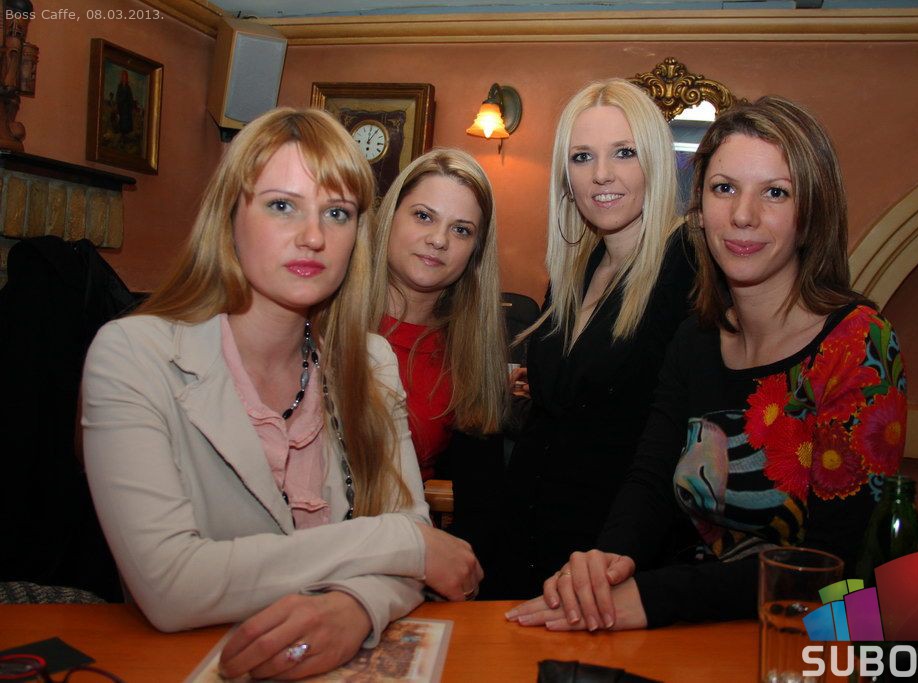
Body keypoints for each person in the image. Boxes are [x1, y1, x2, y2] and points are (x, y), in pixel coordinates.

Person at [81, 108, 481, 681]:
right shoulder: (134, 355)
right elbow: (170, 584)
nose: (314, 237)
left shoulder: (371, 362)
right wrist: (399, 542)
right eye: (282, 205)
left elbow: (416, 555)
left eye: (337, 213)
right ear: (229, 216)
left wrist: (355, 608)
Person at [506, 95, 909, 632]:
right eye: (724, 188)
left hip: (811, 641)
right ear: (697, 206)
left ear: (813, 212)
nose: (743, 215)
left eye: (775, 192)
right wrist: (605, 564)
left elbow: (837, 563)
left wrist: (652, 597)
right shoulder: (696, 339)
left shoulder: (858, 344)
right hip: (693, 631)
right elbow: (651, 478)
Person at [485, 78, 695, 599]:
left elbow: (668, 439)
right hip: (523, 549)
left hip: (611, 564)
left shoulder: (688, 264)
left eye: (624, 152)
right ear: (566, 177)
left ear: (655, 162)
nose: (602, 174)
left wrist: (619, 553)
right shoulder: (575, 272)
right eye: (582, 157)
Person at [369, 148, 507, 481]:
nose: (438, 240)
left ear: (475, 252)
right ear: (390, 216)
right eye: (423, 216)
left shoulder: (470, 357)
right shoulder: (326, 318)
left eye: (461, 230)